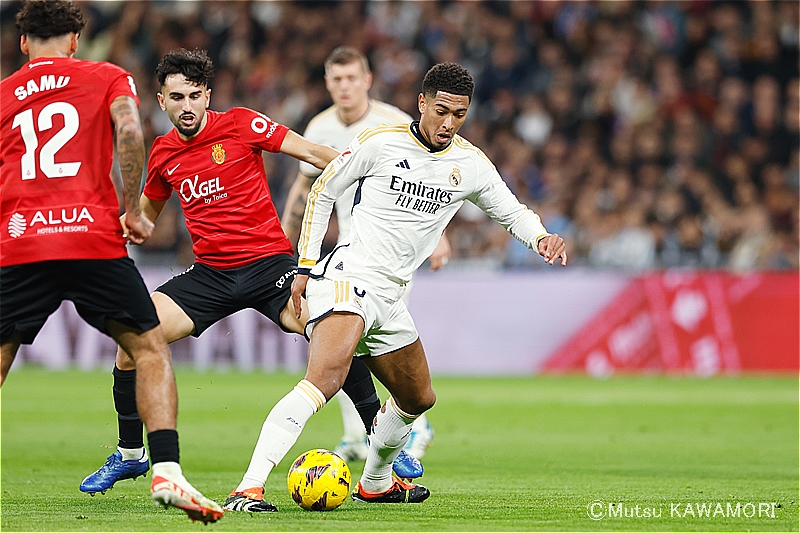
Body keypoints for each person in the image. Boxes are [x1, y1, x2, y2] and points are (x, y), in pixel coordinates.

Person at [78, 48, 418, 514]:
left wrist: (370, 171)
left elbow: (314, 152)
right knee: (131, 334)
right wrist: (102, 233)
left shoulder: (240, 123)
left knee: (333, 327)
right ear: (162, 101)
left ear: (208, 96)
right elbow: (144, 218)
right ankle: (132, 455)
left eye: (195, 96)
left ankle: (382, 441)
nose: (187, 106)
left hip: (269, 266)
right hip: (211, 275)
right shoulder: (161, 154)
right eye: (177, 97)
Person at [228, 62, 567, 505]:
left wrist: (540, 236)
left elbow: (510, 210)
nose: (448, 124)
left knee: (417, 396)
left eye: (459, 114)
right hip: (349, 277)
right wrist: (306, 265)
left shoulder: (470, 163)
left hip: (390, 294)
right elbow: (323, 189)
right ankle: (248, 486)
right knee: (323, 381)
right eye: (441, 110)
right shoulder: (380, 142)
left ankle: (375, 481)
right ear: (422, 102)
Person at [0, 1, 222, 524]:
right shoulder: (107, 76)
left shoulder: (4, 95)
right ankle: (167, 472)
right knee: (147, 350)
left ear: (24, 43)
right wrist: (131, 211)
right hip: (92, 237)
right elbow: (129, 132)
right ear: (76, 41)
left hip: (22, 241)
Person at [281, 46, 445, 463]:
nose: (345, 87)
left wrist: (438, 237)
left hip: (391, 257)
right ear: (327, 83)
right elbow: (305, 187)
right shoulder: (319, 127)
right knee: (340, 344)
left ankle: (409, 424)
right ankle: (361, 434)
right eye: (336, 79)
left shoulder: (393, 123)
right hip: (347, 258)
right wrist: (287, 238)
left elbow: (433, 181)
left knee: (363, 346)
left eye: (352, 78)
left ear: (368, 80)